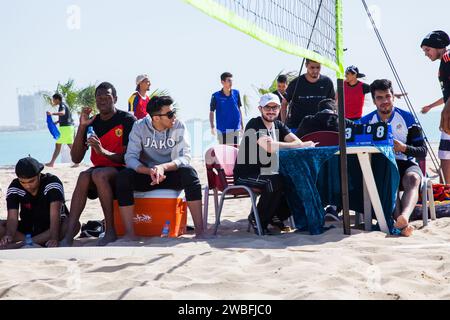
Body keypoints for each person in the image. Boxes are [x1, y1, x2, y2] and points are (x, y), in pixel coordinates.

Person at [116, 96, 205, 240]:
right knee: (123, 177)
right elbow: (130, 157)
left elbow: (185, 157)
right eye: (170, 114)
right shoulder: (139, 126)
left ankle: (200, 231)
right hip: (147, 175)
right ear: (156, 118)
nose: (174, 116)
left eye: (174, 112)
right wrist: (149, 170)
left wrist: (162, 167)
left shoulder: (179, 126)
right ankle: (130, 233)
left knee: (190, 173)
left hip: (170, 173)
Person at [60, 82, 136, 247]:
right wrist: (82, 126)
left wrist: (102, 151)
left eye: (107, 97)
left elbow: (128, 157)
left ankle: (110, 231)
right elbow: (76, 158)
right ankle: (68, 235)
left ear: (115, 98)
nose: (103, 101)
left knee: (98, 174)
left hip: (122, 171)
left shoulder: (127, 120)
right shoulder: (92, 123)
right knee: (83, 175)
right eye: (99, 98)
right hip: (100, 169)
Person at [234, 93, 317, 235]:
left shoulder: (279, 125)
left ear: (279, 109)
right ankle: (257, 218)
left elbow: (297, 141)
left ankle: (276, 216)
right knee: (273, 181)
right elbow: (270, 147)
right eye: (268, 107)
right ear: (260, 109)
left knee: (295, 180)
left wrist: (284, 144)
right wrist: (292, 145)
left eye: (275, 107)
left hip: (267, 171)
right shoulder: (254, 124)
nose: (271, 111)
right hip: (246, 174)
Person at [360, 79, 427, 237]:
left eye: (388, 96)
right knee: (390, 178)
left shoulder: (407, 118)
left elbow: (423, 151)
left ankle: (404, 217)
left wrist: (403, 148)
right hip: (381, 167)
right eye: (379, 98)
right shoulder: (365, 122)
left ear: (393, 97)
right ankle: (402, 224)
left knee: (413, 178)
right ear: (374, 100)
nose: (384, 101)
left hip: (406, 163)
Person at [0, 157, 76, 249]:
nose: (27, 185)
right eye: (23, 182)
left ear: (39, 174)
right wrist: (9, 235)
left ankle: (22, 244)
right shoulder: (15, 187)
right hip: (27, 229)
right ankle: (32, 241)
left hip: (52, 228)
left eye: (31, 181)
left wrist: (54, 238)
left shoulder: (52, 183)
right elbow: (12, 218)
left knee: (73, 224)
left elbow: (55, 215)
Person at [420, 30, 450, 183]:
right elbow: (447, 94)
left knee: (445, 155)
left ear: (438, 46)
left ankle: (446, 192)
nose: (426, 53)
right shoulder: (444, 62)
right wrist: (431, 106)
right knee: (445, 155)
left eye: (427, 49)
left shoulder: (448, 57)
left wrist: (445, 111)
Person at [282, 59, 335, 129]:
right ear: (306, 65)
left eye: (318, 67)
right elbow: (284, 103)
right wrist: (283, 126)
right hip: (297, 128)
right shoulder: (295, 83)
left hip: (321, 128)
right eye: (312, 67)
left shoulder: (327, 82)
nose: (315, 71)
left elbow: (332, 104)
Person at [210, 72, 244, 145]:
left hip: (235, 127)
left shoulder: (236, 93)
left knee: (234, 151)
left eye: (231, 80)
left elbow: (239, 109)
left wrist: (242, 126)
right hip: (222, 129)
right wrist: (212, 126)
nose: (231, 82)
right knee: (224, 152)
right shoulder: (215, 96)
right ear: (222, 82)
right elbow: (211, 112)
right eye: (229, 80)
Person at [45, 93, 75, 167]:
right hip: (67, 127)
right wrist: (57, 122)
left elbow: (63, 113)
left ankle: (52, 163)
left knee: (65, 145)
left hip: (66, 128)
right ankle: (52, 163)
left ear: (57, 99)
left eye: (53, 100)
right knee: (64, 145)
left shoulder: (62, 105)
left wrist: (52, 113)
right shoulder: (64, 104)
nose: (53, 101)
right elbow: (66, 116)